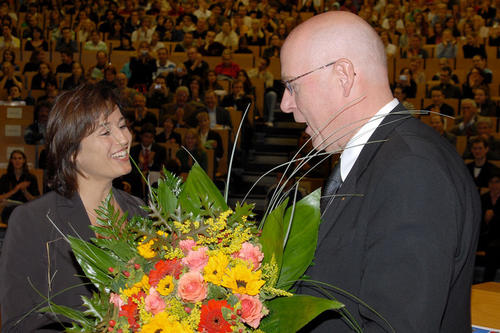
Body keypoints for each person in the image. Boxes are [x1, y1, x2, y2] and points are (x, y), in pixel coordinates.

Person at [279, 12, 480, 332]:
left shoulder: (411, 169)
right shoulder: (382, 157)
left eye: (292, 85)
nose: (285, 104)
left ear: (342, 75)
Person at [0, 83, 146, 331]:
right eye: (105, 132)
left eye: (122, 125)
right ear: (72, 152)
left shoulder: (140, 211)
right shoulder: (33, 221)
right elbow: (19, 322)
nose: (124, 138)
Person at [0, 150, 40, 223]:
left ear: (24, 160)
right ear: (11, 161)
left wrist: (25, 191)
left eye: (19, 158)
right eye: (14, 158)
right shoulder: (5, 177)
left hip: (25, 209)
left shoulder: (31, 177)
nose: (17, 161)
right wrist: (16, 189)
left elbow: (35, 201)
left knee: (22, 217)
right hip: (9, 210)